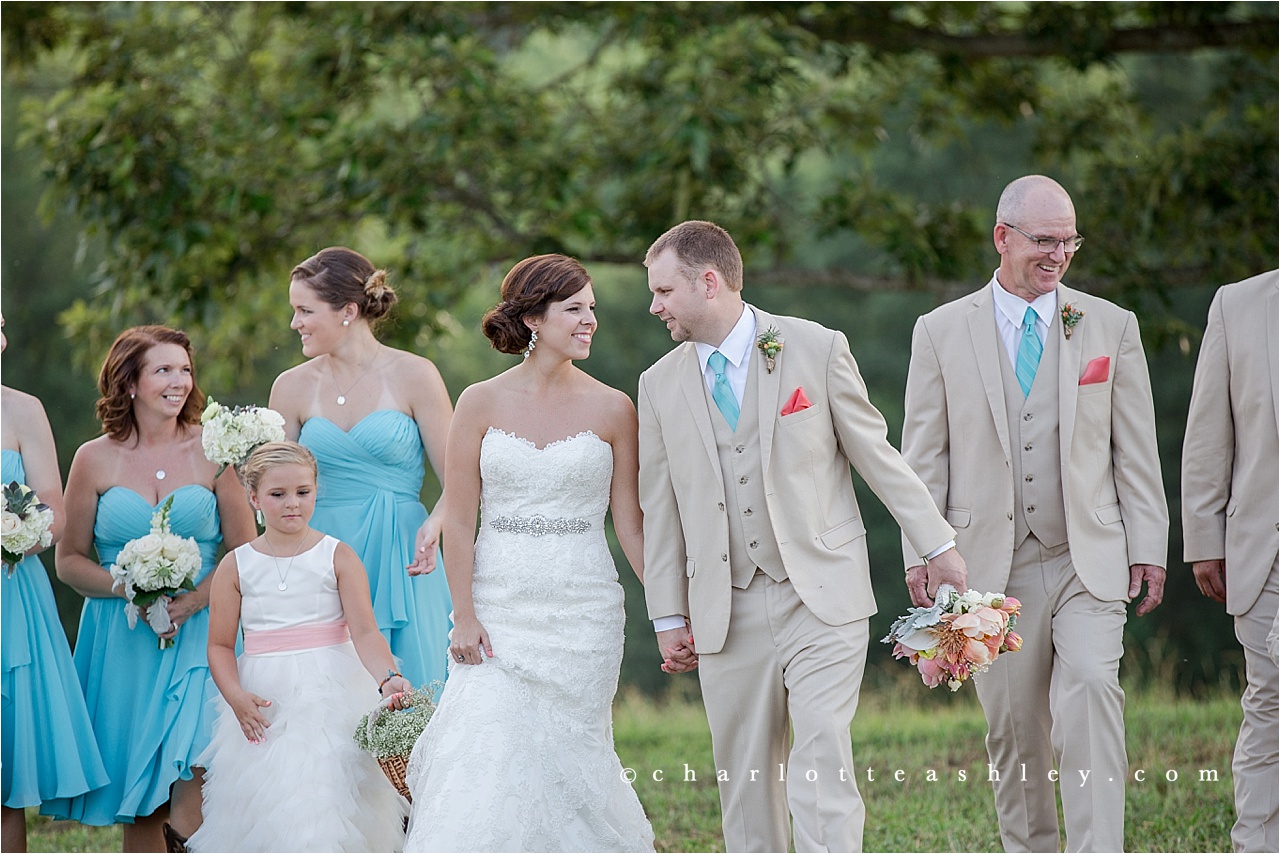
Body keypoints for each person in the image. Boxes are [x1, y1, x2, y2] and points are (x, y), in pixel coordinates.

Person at [638, 220, 967, 853]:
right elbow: (662, 507)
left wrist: (938, 544)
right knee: (747, 782)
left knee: (821, 760)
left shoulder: (815, 348)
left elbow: (878, 455)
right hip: (724, 610)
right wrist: (668, 612)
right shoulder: (657, 385)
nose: (654, 306)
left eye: (662, 291)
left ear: (709, 283)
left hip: (821, 592)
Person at [900, 175, 1168, 852]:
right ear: (1002, 237)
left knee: (1090, 699)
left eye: (1068, 242)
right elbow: (922, 456)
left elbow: (1134, 448)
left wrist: (1150, 544)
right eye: (1043, 241)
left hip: (1087, 556)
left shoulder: (1110, 326)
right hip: (990, 566)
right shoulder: (939, 331)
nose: (1057, 256)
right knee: (1015, 733)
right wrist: (922, 550)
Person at [404, 254, 654, 852]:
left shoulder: (615, 408)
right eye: (576, 309)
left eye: (593, 309)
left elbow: (631, 525)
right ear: (535, 318)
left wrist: (670, 610)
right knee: (486, 753)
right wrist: (462, 614)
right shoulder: (479, 402)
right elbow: (459, 519)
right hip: (496, 609)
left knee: (573, 755)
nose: (591, 320)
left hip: (585, 610)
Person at [47, 325, 257, 852]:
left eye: (185, 369)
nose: (180, 381)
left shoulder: (213, 451)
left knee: (196, 771)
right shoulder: (93, 458)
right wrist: (126, 589)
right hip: (121, 643)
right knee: (140, 798)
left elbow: (242, 549)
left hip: (203, 633)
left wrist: (192, 601)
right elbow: (69, 561)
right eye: (164, 369)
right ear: (130, 382)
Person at [188, 442, 410, 852]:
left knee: (331, 797)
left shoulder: (338, 555)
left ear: (315, 490)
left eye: (303, 492)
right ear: (254, 498)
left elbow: (365, 631)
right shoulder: (236, 565)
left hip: (334, 696)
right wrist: (236, 697)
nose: (292, 504)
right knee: (272, 802)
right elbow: (219, 645)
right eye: (278, 494)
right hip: (267, 701)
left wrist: (388, 677)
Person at [270, 246, 454, 690]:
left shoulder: (416, 375)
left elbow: (460, 480)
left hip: (402, 553)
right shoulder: (291, 387)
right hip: (319, 554)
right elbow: (271, 487)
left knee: (417, 694)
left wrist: (436, 523)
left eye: (304, 310)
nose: (294, 323)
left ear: (348, 311)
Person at [1, 315, 108, 853]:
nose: (1, 337)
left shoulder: (23, 409)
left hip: (10, 594)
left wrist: (14, 535)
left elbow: (53, 509)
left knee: (5, 783)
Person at [1181, 269, 1279, 853]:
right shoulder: (1237, 305)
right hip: (1263, 548)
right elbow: (1208, 432)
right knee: (1268, 701)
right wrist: (1204, 538)